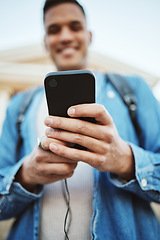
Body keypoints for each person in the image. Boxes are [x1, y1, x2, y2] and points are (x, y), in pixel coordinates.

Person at [0, 0, 160, 239]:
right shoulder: (20, 106)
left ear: (89, 35)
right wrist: (26, 174)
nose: (65, 36)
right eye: (54, 30)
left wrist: (126, 161)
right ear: (45, 40)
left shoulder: (133, 89)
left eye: (74, 27)